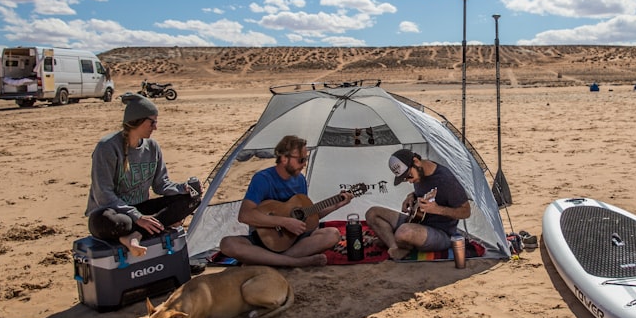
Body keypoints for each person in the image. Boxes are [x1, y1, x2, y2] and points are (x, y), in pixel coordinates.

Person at [86, 93, 201, 257]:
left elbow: (161, 185)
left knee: (192, 200)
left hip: (140, 208)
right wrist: (138, 218)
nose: (155, 127)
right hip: (110, 213)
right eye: (152, 122)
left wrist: (184, 188)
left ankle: (136, 236)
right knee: (120, 224)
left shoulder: (153, 147)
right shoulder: (107, 147)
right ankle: (147, 228)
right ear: (137, 121)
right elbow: (103, 196)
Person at [218, 135, 351, 268]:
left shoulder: (300, 180)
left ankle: (269, 261)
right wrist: (285, 222)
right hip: (263, 240)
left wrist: (335, 206)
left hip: (293, 241)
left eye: (306, 159)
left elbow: (306, 216)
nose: (304, 164)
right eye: (301, 160)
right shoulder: (262, 179)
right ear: (283, 158)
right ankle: (295, 262)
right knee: (227, 244)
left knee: (332, 234)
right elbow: (245, 215)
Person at [365, 149, 471, 260]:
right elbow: (421, 192)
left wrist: (437, 209)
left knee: (403, 232)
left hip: (441, 233)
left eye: (409, 176)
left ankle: (396, 241)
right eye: (405, 179)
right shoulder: (420, 173)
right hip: (416, 221)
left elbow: (466, 211)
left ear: (416, 161)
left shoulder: (447, 180)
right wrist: (411, 197)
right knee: (372, 213)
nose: (409, 181)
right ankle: (396, 247)